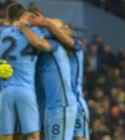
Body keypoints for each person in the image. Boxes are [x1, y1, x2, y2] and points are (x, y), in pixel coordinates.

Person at [0, 3, 58, 140]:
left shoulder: (2, 32)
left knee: (5, 136)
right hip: (26, 89)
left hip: (5, 91)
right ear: (25, 15)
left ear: (7, 18)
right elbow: (55, 28)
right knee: (32, 136)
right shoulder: (35, 33)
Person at [26, 6, 79, 140]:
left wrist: (31, 25)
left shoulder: (54, 43)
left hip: (62, 105)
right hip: (49, 106)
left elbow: (57, 32)